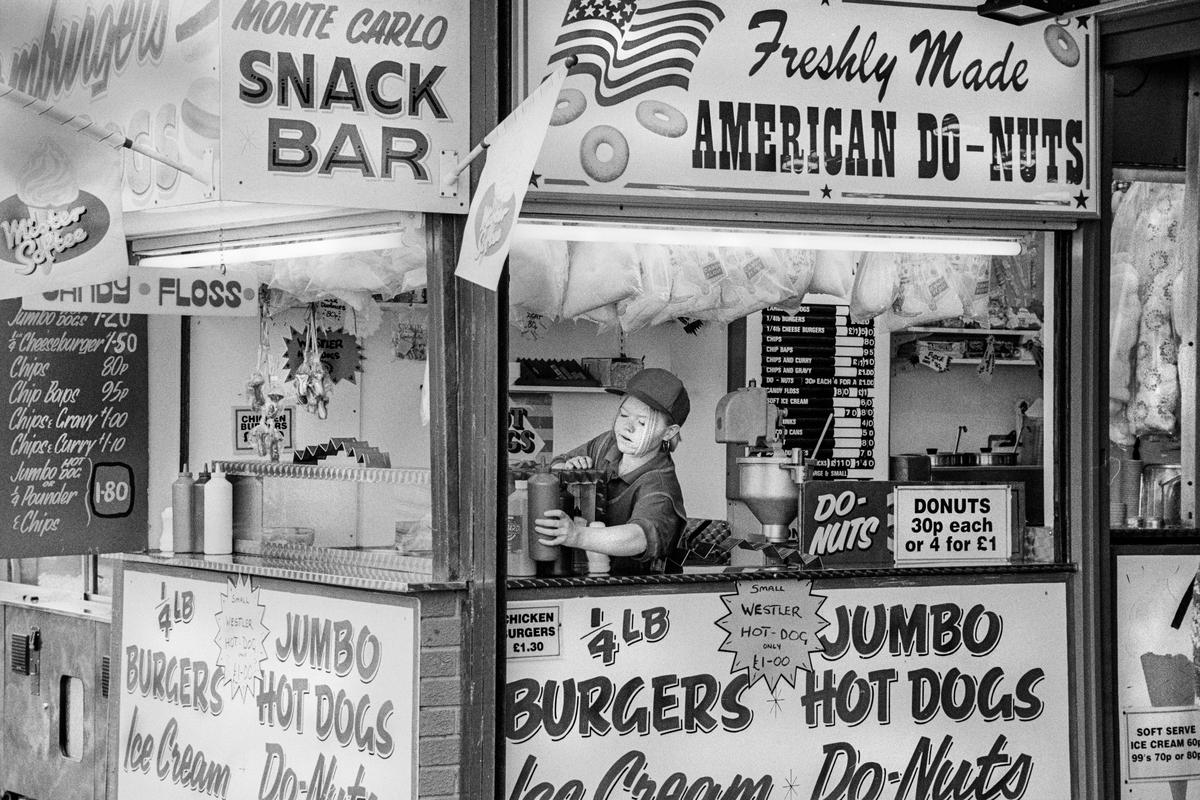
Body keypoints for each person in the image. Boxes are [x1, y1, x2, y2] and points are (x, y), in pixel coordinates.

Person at [534, 367, 689, 575]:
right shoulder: (609, 443)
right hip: (581, 576)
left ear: (669, 432)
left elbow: (639, 537)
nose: (628, 427)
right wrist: (567, 470)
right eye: (624, 415)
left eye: (642, 422)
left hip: (631, 589)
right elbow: (555, 464)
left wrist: (577, 536)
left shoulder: (660, 485)